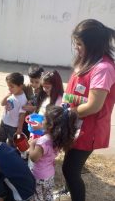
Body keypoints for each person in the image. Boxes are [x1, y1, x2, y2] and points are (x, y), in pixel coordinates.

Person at [61, 19, 115, 201]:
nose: (76, 48)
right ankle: (67, 192)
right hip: (75, 124)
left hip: (87, 130)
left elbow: (94, 105)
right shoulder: (88, 60)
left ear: (92, 45)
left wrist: (67, 113)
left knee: (70, 170)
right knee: (69, 163)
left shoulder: (103, 68)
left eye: (79, 44)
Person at [29, 105, 78, 201]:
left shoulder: (42, 142)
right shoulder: (59, 139)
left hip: (39, 176)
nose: (42, 121)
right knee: (48, 194)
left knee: (38, 197)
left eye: (44, 119)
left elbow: (34, 158)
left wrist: (31, 144)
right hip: (49, 174)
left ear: (50, 125)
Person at [0, 72, 27, 147]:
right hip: (4, 122)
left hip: (13, 126)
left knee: (12, 144)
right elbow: (2, 103)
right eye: (8, 86)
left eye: (12, 86)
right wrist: (6, 96)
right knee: (0, 140)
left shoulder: (22, 99)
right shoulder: (11, 93)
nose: (9, 88)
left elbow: (22, 115)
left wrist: (19, 128)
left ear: (20, 86)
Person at [22, 65, 44, 138]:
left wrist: (33, 108)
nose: (33, 84)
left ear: (42, 78)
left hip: (38, 119)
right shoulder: (26, 86)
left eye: (37, 82)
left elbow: (46, 107)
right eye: (31, 81)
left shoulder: (44, 90)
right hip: (27, 118)